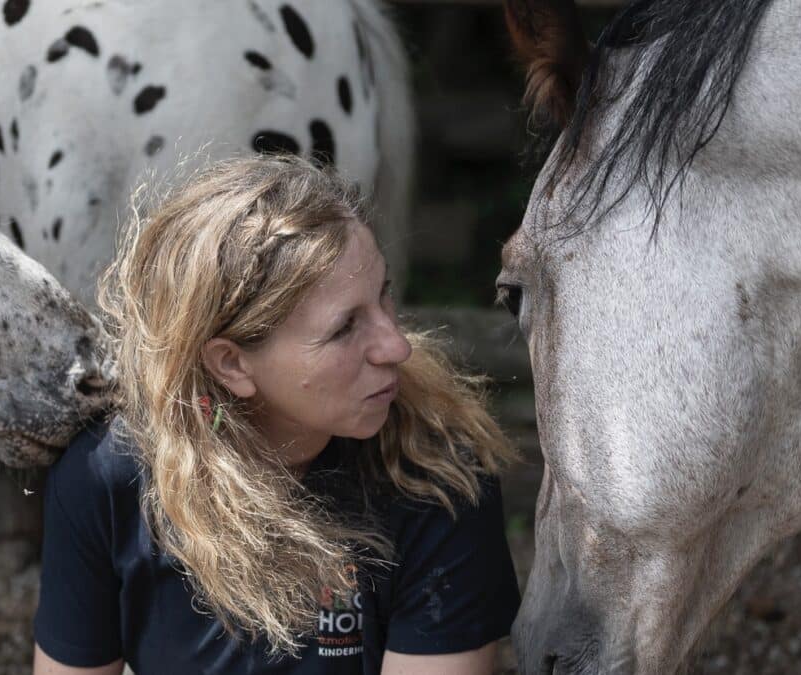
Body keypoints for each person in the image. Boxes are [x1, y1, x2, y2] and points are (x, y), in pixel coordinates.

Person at [32, 155, 520, 675]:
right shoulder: (110, 477)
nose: (395, 345)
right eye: (344, 328)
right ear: (232, 365)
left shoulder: (433, 473)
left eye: (383, 295)